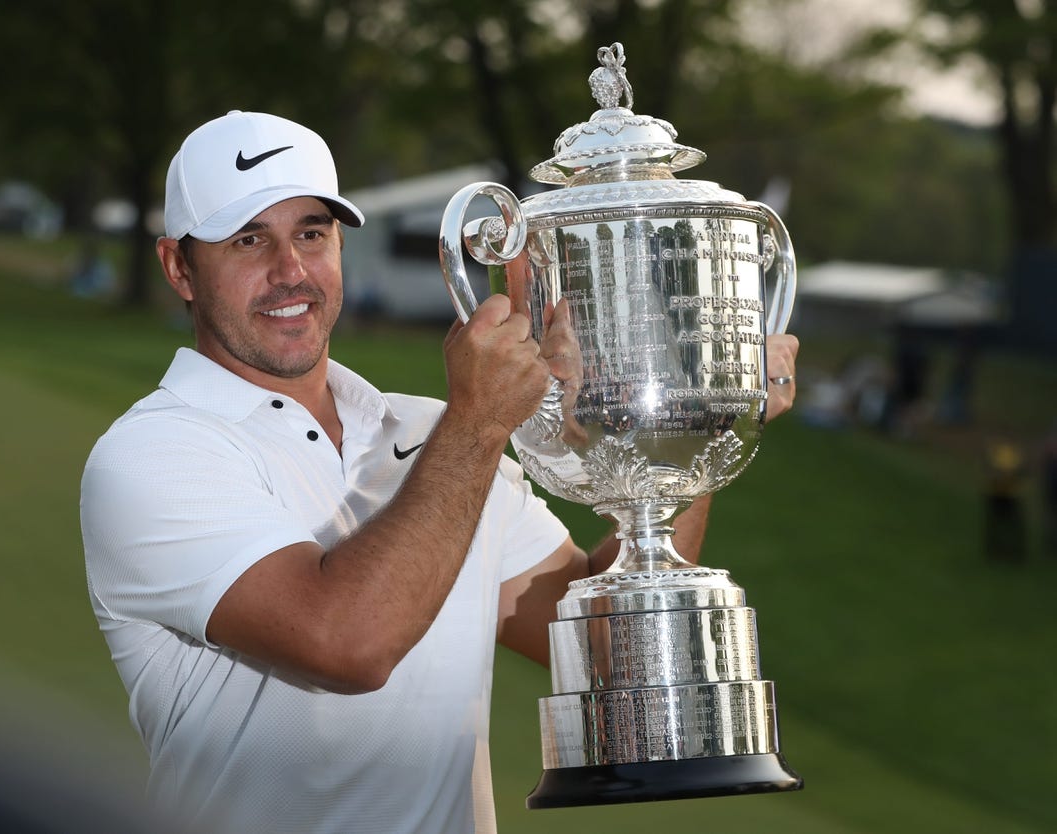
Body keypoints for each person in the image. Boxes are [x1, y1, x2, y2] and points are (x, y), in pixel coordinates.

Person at [80, 110, 799, 834]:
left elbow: (611, 655)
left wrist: (690, 415)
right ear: (179, 268)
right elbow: (348, 644)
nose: (290, 271)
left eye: (311, 233)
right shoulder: (152, 454)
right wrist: (479, 424)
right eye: (247, 240)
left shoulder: (430, 432)